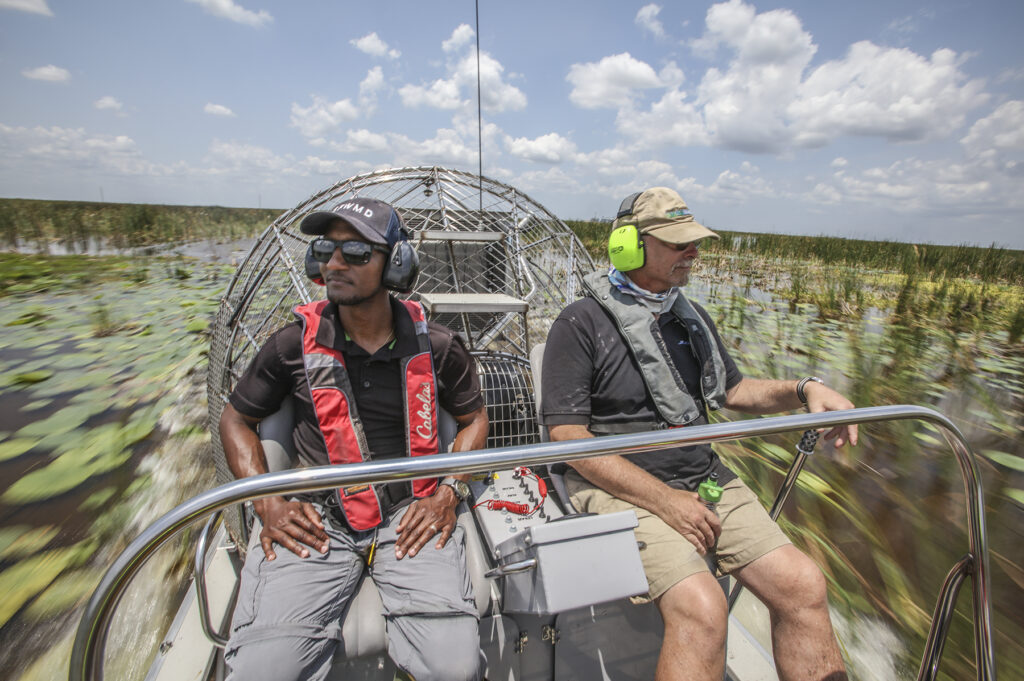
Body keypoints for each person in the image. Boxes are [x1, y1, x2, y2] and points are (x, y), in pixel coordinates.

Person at [541, 187, 854, 681]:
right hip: (616, 489)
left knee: (803, 584)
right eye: (679, 242)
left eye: (695, 241)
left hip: (703, 479)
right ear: (628, 245)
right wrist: (665, 500)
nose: (694, 252)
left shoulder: (688, 317)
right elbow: (567, 436)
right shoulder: (579, 323)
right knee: (703, 606)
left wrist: (804, 388)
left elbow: (734, 390)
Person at [219, 197, 489, 681]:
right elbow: (235, 419)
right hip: (316, 520)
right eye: (325, 249)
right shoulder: (288, 346)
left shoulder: (440, 346)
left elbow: (475, 419)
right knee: (264, 672)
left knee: (455, 667)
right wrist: (268, 502)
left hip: (413, 515)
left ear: (397, 264)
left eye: (357, 253)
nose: (335, 263)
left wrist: (450, 491)